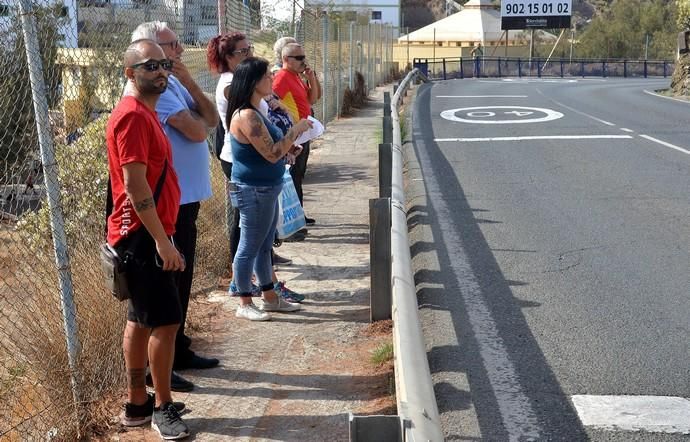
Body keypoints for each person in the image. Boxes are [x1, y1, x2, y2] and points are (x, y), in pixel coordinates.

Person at [106, 39, 189, 439]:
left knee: (140, 320)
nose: (160, 71)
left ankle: (137, 404)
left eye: (165, 64)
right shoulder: (134, 117)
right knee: (167, 322)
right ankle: (162, 407)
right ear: (130, 73)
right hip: (143, 236)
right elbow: (135, 187)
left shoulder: (145, 113)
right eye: (150, 66)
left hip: (142, 233)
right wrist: (163, 241)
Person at [131, 21, 220, 393]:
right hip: (168, 206)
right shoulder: (152, 93)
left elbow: (211, 121)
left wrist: (191, 85)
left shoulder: (173, 82)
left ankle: (177, 351)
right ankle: (157, 378)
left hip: (182, 200)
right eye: (170, 49)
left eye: (176, 48)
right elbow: (199, 131)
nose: (178, 53)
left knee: (179, 286)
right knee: (162, 299)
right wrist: (196, 114)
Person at [226, 56, 312, 321]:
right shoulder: (247, 116)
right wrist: (296, 131)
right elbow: (273, 153)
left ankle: (270, 298)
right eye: (266, 76)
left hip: (266, 187)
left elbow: (275, 148)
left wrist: (290, 147)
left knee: (264, 246)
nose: (271, 79)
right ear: (253, 82)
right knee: (249, 246)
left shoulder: (257, 111)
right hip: (253, 190)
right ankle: (244, 302)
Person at [272, 43, 321, 231]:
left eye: (304, 57)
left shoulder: (297, 77)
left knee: (298, 175)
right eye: (298, 58)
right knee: (293, 176)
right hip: (293, 135)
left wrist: (311, 78)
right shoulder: (283, 77)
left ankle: (299, 215)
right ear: (286, 60)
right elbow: (271, 99)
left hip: (302, 133)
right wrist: (289, 119)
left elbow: (312, 99)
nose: (303, 61)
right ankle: (294, 222)